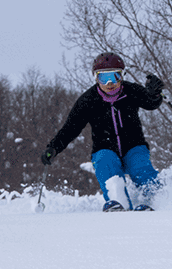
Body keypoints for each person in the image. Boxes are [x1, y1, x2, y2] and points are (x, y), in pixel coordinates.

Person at [41, 52, 165, 212]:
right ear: (95, 78)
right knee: (107, 167)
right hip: (105, 148)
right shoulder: (88, 100)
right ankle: (118, 203)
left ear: (122, 76)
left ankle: (155, 202)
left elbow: (151, 103)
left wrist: (155, 93)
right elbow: (71, 128)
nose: (109, 83)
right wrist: (54, 147)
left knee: (140, 168)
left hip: (134, 146)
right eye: (103, 77)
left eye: (114, 76)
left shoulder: (131, 91)